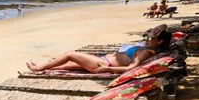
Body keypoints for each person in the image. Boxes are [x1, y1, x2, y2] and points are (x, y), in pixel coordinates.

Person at [26, 25, 172, 74]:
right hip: (102, 61)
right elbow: (165, 30)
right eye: (146, 36)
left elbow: (131, 68)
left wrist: (108, 70)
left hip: (103, 65)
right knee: (64, 66)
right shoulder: (154, 47)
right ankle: (44, 67)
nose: (147, 39)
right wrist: (161, 27)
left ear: (159, 41)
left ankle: (39, 68)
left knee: (70, 54)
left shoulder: (147, 51)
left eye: (150, 38)